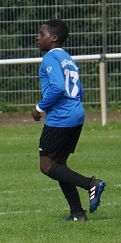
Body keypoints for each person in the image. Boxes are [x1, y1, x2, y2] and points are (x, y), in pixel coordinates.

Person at [32, 19, 106, 221]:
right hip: (76, 114)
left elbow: (57, 87)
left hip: (61, 118)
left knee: (47, 166)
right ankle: (77, 213)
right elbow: (78, 89)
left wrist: (39, 108)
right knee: (60, 166)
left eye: (42, 34)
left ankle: (91, 184)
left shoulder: (50, 58)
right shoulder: (67, 58)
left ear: (53, 38)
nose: (37, 37)